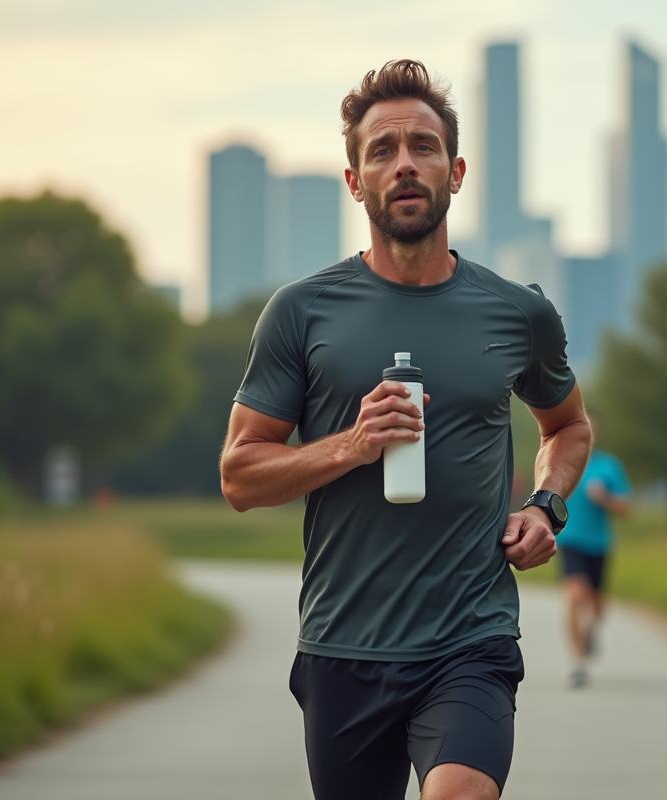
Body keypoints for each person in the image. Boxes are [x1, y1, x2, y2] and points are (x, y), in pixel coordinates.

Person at [218, 59, 591, 800]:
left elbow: (569, 427)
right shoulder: (302, 312)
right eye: (382, 151)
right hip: (343, 643)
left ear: (455, 171)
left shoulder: (519, 313)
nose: (405, 164)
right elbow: (239, 476)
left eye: (422, 146)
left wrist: (546, 505)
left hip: (470, 638)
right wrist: (351, 445)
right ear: (356, 181)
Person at [555, 417, 632, 688]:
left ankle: (589, 634)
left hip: (599, 544)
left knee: (597, 606)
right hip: (570, 541)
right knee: (576, 595)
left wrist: (605, 499)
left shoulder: (609, 467)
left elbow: (625, 509)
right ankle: (578, 662)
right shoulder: (562, 460)